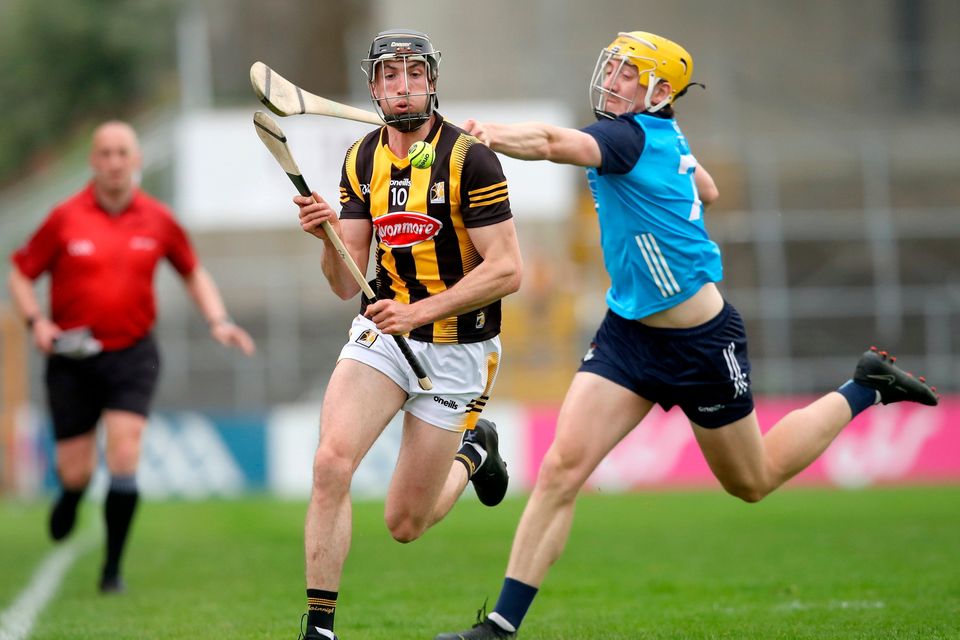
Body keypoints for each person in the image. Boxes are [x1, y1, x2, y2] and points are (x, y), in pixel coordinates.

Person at [435, 31, 940, 639]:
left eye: (628, 73)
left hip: (702, 343)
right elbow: (709, 189)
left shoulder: (626, 137)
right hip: (628, 337)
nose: (613, 80)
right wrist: (680, 177)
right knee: (562, 470)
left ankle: (865, 385)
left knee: (752, 481)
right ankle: (499, 627)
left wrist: (481, 134)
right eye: (614, 68)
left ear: (660, 90)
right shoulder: (659, 135)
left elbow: (546, 141)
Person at [290, 29, 523, 640]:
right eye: (389, 76)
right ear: (374, 87)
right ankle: (319, 627)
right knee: (330, 464)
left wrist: (420, 313)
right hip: (384, 340)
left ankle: (475, 451)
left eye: (413, 74)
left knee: (405, 522)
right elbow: (346, 284)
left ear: (432, 82)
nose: (403, 86)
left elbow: (507, 271)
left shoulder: (471, 158)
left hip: (458, 347)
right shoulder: (362, 158)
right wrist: (328, 238)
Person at [7, 120, 256, 593]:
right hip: (72, 359)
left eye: (123, 152)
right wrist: (37, 321)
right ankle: (71, 495)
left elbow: (192, 271)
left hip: (133, 355)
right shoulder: (64, 217)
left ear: (136, 160)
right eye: (105, 153)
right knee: (74, 470)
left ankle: (111, 570)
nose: (115, 162)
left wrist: (218, 320)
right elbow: (21, 274)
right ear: (93, 162)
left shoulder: (159, 219)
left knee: (124, 452)